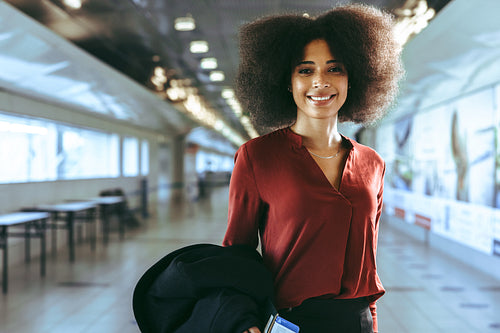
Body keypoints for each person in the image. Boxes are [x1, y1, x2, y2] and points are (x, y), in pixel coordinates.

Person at [223, 4, 403, 333]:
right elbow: (237, 254)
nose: (320, 81)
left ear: (354, 78)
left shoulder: (372, 163)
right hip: (290, 321)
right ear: (286, 81)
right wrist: (243, 322)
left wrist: (372, 323)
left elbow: (368, 262)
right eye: (305, 70)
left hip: (356, 321)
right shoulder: (257, 157)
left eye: (334, 69)